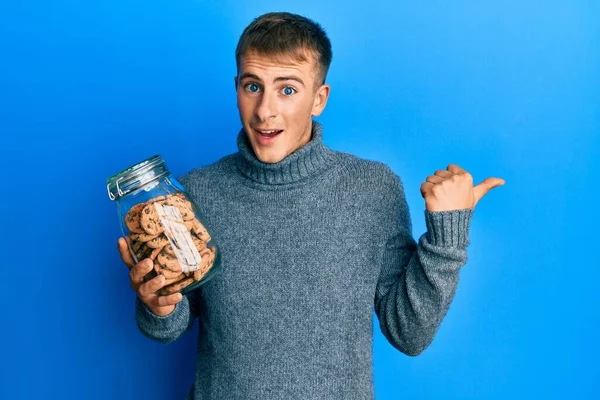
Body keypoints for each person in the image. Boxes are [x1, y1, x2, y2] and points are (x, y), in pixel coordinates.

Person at [118, 11, 504, 399]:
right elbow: (172, 321)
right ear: (237, 87)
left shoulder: (373, 189)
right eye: (253, 87)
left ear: (319, 99)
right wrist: (159, 306)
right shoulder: (197, 191)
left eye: (287, 90)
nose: (265, 110)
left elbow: (409, 334)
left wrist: (446, 237)